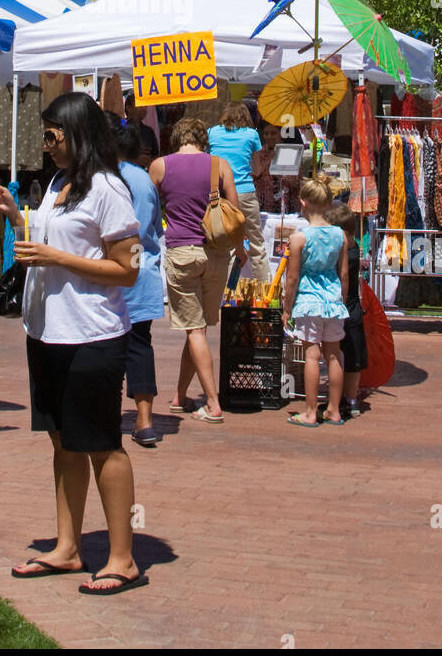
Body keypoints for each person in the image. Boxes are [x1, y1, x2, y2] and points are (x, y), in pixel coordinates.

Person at [0, 92, 148, 595]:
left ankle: (123, 558)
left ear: (78, 133)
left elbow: (127, 267)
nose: (47, 145)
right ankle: (67, 547)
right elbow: (49, 244)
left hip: (92, 335)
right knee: (62, 442)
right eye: (45, 135)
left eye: (53, 135)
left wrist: (57, 258)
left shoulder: (107, 188)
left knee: (100, 444)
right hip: (48, 331)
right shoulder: (59, 182)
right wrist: (15, 216)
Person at [149, 117, 240, 424]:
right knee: (197, 327)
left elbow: (148, 211)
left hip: (181, 252)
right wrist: (241, 251)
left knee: (194, 329)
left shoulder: (160, 166)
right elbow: (236, 213)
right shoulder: (220, 165)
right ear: (204, 138)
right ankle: (180, 395)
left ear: (176, 137)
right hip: (215, 254)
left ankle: (213, 404)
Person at [105, 112, 165, 447]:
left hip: (111, 271)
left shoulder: (104, 178)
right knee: (140, 346)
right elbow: (155, 227)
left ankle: (108, 414)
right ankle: (144, 421)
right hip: (142, 270)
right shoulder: (144, 179)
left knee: (106, 346)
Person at [282, 173, 349, 427]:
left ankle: (310, 411)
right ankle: (333, 409)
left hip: (309, 300)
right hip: (332, 300)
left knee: (312, 355)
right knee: (334, 355)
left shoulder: (300, 238)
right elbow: (344, 274)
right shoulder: (340, 236)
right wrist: (340, 299)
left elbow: (293, 278)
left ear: (303, 202)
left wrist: (287, 307)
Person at [208, 103, 272, 283]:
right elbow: (257, 168)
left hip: (220, 194)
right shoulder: (252, 135)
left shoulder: (212, 132)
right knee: (257, 244)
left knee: (226, 244)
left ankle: (226, 293)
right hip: (245, 192)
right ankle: (264, 291)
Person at [327, 202, 368, 417]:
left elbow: (343, 279)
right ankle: (349, 398)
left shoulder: (344, 252)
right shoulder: (354, 247)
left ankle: (346, 398)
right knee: (351, 359)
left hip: (344, 307)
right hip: (352, 308)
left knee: (341, 356)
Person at [124, 91, 159, 168]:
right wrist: (135, 159)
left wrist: (149, 160)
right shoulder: (120, 129)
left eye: (145, 107)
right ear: (128, 108)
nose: (144, 109)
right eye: (140, 106)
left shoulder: (149, 132)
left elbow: (156, 155)